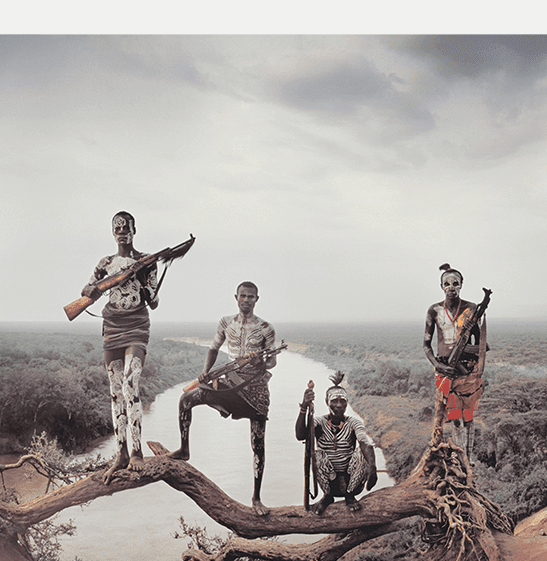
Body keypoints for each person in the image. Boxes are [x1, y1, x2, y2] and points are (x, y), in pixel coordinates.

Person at [168, 281, 277, 515]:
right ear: (236, 297)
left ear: (257, 299)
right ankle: (184, 449)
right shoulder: (226, 322)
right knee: (186, 400)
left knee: (258, 443)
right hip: (228, 382)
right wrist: (206, 370)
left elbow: (272, 362)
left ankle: (256, 498)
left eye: (251, 296)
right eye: (243, 296)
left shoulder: (266, 328)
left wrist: (260, 361)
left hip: (254, 388)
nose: (246, 300)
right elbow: (214, 348)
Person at [82, 211, 160, 477]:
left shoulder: (147, 261)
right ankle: (121, 452)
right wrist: (90, 291)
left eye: (125, 227)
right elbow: (87, 289)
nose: (122, 232)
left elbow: (154, 300)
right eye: (117, 228)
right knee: (116, 393)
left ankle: (138, 451)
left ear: (134, 229)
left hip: (136, 327)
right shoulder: (105, 263)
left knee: (130, 383)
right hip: (112, 328)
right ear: (112, 232)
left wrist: (137, 276)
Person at [423, 262, 488, 461]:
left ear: (461, 285)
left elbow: (482, 345)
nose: (451, 287)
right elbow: (426, 345)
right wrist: (439, 365)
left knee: (468, 419)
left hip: (467, 372)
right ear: (441, 286)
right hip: (445, 371)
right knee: (455, 419)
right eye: (447, 283)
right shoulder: (434, 311)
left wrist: (473, 327)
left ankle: (467, 461)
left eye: (455, 283)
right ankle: (456, 461)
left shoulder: (471, 309)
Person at [296, 371, 377, 515]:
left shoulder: (353, 423)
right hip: (329, 479)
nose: (339, 405)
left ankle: (350, 496)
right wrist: (303, 407)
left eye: (342, 401)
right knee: (318, 453)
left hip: (352, 478)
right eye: (334, 401)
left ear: (347, 403)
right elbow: (301, 435)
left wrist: (372, 467)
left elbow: (365, 443)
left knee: (361, 452)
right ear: (327, 403)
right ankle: (327, 496)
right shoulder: (319, 422)